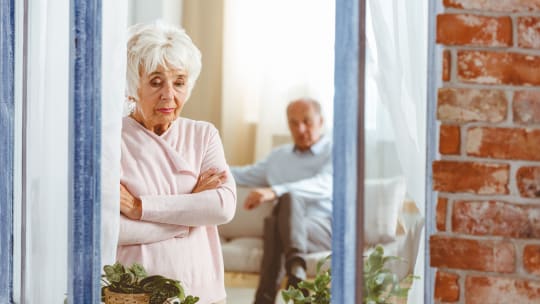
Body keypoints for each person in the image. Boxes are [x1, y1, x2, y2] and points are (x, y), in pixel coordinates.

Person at [117, 22, 236, 304]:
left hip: (201, 290)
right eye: (156, 82)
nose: (169, 95)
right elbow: (114, 229)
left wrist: (139, 207)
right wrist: (191, 211)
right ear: (134, 85)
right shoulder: (111, 140)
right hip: (135, 292)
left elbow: (222, 207)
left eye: (179, 82)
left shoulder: (203, 135)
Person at [231, 98, 333, 304]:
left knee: (287, 199)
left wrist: (276, 191)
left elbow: (326, 183)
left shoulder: (334, 151)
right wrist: (206, 168)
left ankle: (264, 297)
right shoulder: (278, 157)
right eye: (293, 123)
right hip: (289, 234)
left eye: (307, 121)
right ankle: (296, 271)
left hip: (323, 228)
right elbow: (242, 175)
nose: (301, 128)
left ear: (321, 121)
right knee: (276, 221)